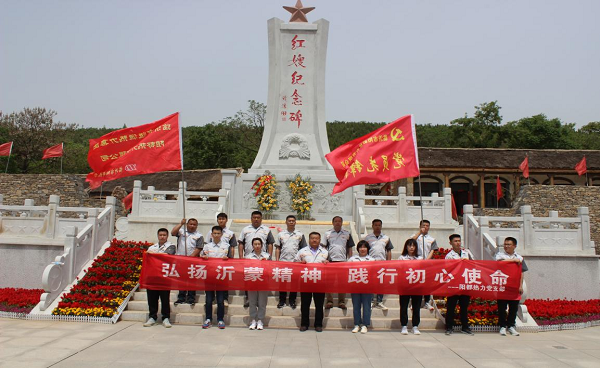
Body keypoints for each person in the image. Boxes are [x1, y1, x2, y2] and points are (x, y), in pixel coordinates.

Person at [238, 211, 275, 307]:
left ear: (261, 219)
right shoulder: (245, 229)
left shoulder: (266, 229)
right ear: (251, 218)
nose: (256, 219)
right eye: (254, 217)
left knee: (261, 278)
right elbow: (241, 243)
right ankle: (248, 298)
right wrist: (241, 257)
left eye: (258, 217)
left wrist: (269, 257)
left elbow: (270, 243)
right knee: (249, 278)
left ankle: (260, 300)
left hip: (263, 259)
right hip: (249, 259)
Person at [295, 232, 328, 332]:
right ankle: (304, 324)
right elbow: (294, 263)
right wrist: (299, 263)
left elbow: (329, 265)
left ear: (320, 240)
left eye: (317, 238)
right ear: (309, 239)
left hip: (319, 281)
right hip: (305, 281)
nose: (314, 240)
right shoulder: (302, 251)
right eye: (312, 238)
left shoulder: (325, 252)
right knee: (305, 304)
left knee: (319, 304)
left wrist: (327, 263)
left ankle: (318, 324)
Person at [144, 228, 176, 328]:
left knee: (165, 298)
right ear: (158, 236)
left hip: (164, 277)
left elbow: (167, 256)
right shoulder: (151, 247)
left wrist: (154, 255)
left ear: (167, 236)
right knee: (152, 298)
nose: (162, 237)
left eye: (164, 235)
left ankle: (165, 317)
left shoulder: (171, 246)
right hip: (152, 277)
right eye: (160, 235)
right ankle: (152, 317)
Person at [496, 236, 528, 336]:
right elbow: (499, 263)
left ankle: (511, 326)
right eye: (505, 244)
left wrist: (520, 285)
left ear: (514, 246)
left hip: (514, 287)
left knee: (513, 308)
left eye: (508, 244)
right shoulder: (500, 255)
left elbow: (521, 273)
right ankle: (502, 326)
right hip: (503, 286)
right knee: (502, 307)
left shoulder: (520, 258)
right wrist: (513, 261)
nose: (506, 246)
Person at [444, 233, 475, 336]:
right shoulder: (449, 256)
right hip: (453, 284)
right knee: (451, 307)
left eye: (459, 241)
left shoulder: (467, 253)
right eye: (455, 241)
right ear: (451, 243)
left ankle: (465, 327)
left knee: (464, 306)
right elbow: (447, 269)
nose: (458, 243)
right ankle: (449, 327)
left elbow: (473, 264)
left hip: (465, 283)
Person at [200, 226, 229, 329]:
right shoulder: (207, 246)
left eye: (218, 233)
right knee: (208, 299)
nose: (216, 235)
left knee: (220, 300)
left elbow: (230, 260)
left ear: (221, 234)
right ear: (211, 234)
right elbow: (202, 258)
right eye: (214, 233)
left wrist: (227, 258)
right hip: (209, 276)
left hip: (221, 276)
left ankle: (220, 319)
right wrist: (204, 258)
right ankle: (208, 319)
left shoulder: (226, 246)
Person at [275, 215, 307, 309]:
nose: (291, 222)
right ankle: (282, 301)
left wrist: (302, 260)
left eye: (293, 220)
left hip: (295, 262)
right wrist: (277, 261)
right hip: (283, 261)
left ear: (295, 222)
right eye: (289, 220)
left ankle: (292, 301)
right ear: (286, 222)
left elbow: (303, 249)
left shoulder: (300, 234)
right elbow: (278, 248)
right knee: (282, 282)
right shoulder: (281, 234)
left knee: (294, 282)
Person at [171, 218, 204, 306]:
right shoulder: (181, 232)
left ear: (197, 226)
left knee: (192, 280)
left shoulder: (199, 235)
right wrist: (181, 223)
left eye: (194, 225)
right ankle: (181, 297)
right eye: (190, 224)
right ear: (187, 224)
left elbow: (199, 248)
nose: (192, 226)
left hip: (192, 261)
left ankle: (191, 298)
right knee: (181, 279)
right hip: (180, 260)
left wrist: (190, 258)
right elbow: (173, 233)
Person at [324, 216, 355, 310]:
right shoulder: (327, 233)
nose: (337, 223)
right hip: (330, 262)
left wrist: (350, 260)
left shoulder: (347, 233)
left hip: (343, 262)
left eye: (339, 221)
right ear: (332, 222)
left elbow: (349, 248)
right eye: (336, 221)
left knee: (342, 283)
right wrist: (325, 259)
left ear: (342, 223)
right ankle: (329, 301)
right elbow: (324, 247)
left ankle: (341, 302)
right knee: (329, 283)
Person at [364, 219, 393, 310]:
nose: (377, 227)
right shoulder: (368, 238)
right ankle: (372, 301)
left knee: (381, 283)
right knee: (371, 283)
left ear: (381, 226)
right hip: (371, 263)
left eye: (379, 225)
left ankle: (379, 301)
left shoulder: (386, 238)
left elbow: (388, 251)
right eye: (375, 225)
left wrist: (388, 262)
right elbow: (364, 250)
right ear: (372, 226)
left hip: (382, 263)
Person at [398, 238, 424, 335]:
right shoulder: (402, 258)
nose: (411, 247)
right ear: (406, 247)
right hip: (405, 285)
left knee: (416, 306)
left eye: (413, 246)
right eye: (409, 245)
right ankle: (404, 325)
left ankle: (415, 326)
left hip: (417, 285)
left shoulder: (420, 258)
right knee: (404, 306)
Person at [347, 240, 374, 334]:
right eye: (361, 247)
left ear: (368, 249)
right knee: (356, 306)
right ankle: (357, 324)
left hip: (367, 287)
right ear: (358, 249)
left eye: (365, 247)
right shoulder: (352, 259)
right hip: (355, 286)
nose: (363, 249)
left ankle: (365, 325)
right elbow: (346, 270)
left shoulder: (371, 260)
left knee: (366, 306)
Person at [411, 219, 438, 311]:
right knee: (416, 282)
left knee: (427, 284)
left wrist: (427, 260)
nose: (425, 227)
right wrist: (419, 233)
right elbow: (410, 242)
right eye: (423, 225)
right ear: (420, 226)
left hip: (427, 263)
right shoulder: (415, 236)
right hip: (416, 262)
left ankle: (427, 302)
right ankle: (413, 302)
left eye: (427, 225)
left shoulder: (432, 239)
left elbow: (433, 250)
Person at [246, 237, 271, 330]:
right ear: (252, 245)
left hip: (263, 282)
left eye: (259, 244)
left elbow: (270, 269)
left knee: (262, 302)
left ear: (262, 245)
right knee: (252, 302)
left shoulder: (267, 256)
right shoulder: (248, 256)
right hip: (252, 281)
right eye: (255, 244)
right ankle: (253, 320)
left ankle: (260, 320)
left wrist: (265, 263)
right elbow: (245, 268)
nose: (257, 246)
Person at [212, 213, 237, 307]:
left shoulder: (230, 233)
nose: (221, 220)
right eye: (219, 219)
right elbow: (207, 244)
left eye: (223, 219)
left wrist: (231, 260)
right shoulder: (212, 232)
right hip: (213, 260)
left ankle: (225, 298)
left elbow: (232, 247)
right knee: (213, 279)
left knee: (224, 280)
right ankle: (214, 298)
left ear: (226, 220)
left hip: (225, 260)